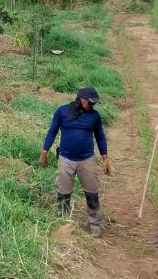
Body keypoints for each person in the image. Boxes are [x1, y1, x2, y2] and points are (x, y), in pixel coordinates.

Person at [41, 85, 111, 237]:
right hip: (66, 159)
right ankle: (62, 223)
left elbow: (100, 137)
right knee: (63, 192)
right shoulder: (62, 112)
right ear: (81, 99)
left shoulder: (95, 116)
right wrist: (44, 153)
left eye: (94, 103)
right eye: (90, 102)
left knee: (92, 192)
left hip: (87, 160)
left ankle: (95, 225)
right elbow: (52, 132)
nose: (92, 105)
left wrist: (105, 158)